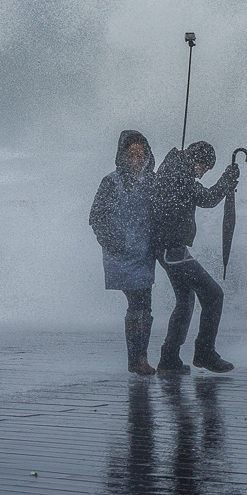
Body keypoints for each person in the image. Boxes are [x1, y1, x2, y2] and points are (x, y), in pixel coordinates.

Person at [150, 141, 240, 374]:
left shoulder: (172, 169)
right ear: (195, 160)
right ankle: (204, 352)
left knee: (185, 300)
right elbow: (208, 199)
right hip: (172, 250)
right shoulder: (177, 175)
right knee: (213, 295)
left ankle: (169, 359)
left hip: (168, 248)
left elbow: (200, 196)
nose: (201, 173)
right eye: (203, 168)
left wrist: (224, 182)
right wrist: (226, 180)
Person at [89, 130, 158, 375]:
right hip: (122, 254)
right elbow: (96, 216)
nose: (137, 160)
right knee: (138, 302)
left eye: (142, 154)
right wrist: (114, 242)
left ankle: (139, 358)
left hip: (145, 253)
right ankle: (137, 359)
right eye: (131, 155)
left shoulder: (151, 181)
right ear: (122, 156)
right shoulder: (111, 181)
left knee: (144, 305)